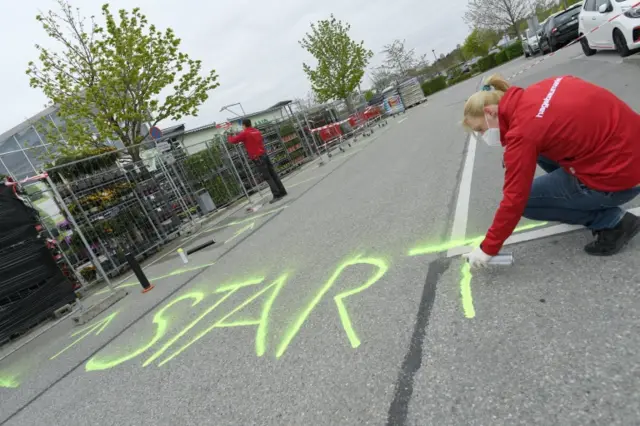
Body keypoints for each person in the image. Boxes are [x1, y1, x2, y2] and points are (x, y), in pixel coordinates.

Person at [461, 74, 640, 268]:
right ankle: (584, 198)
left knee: (527, 202)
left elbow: (514, 199)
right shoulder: (541, 89)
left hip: (622, 176)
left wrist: (487, 249)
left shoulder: (523, 134)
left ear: (490, 112)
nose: (483, 135)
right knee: (539, 151)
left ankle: (613, 222)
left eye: (480, 129)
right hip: (628, 150)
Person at [227, 119, 288, 203]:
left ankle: (276, 195)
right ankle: (282, 191)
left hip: (257, 158)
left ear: (244, 125)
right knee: (273, 174)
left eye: (242, 126)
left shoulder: (245, 133)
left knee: (267, 177)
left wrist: (229, 135)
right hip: (264, 155)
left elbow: (233, 141)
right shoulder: (256, 131)